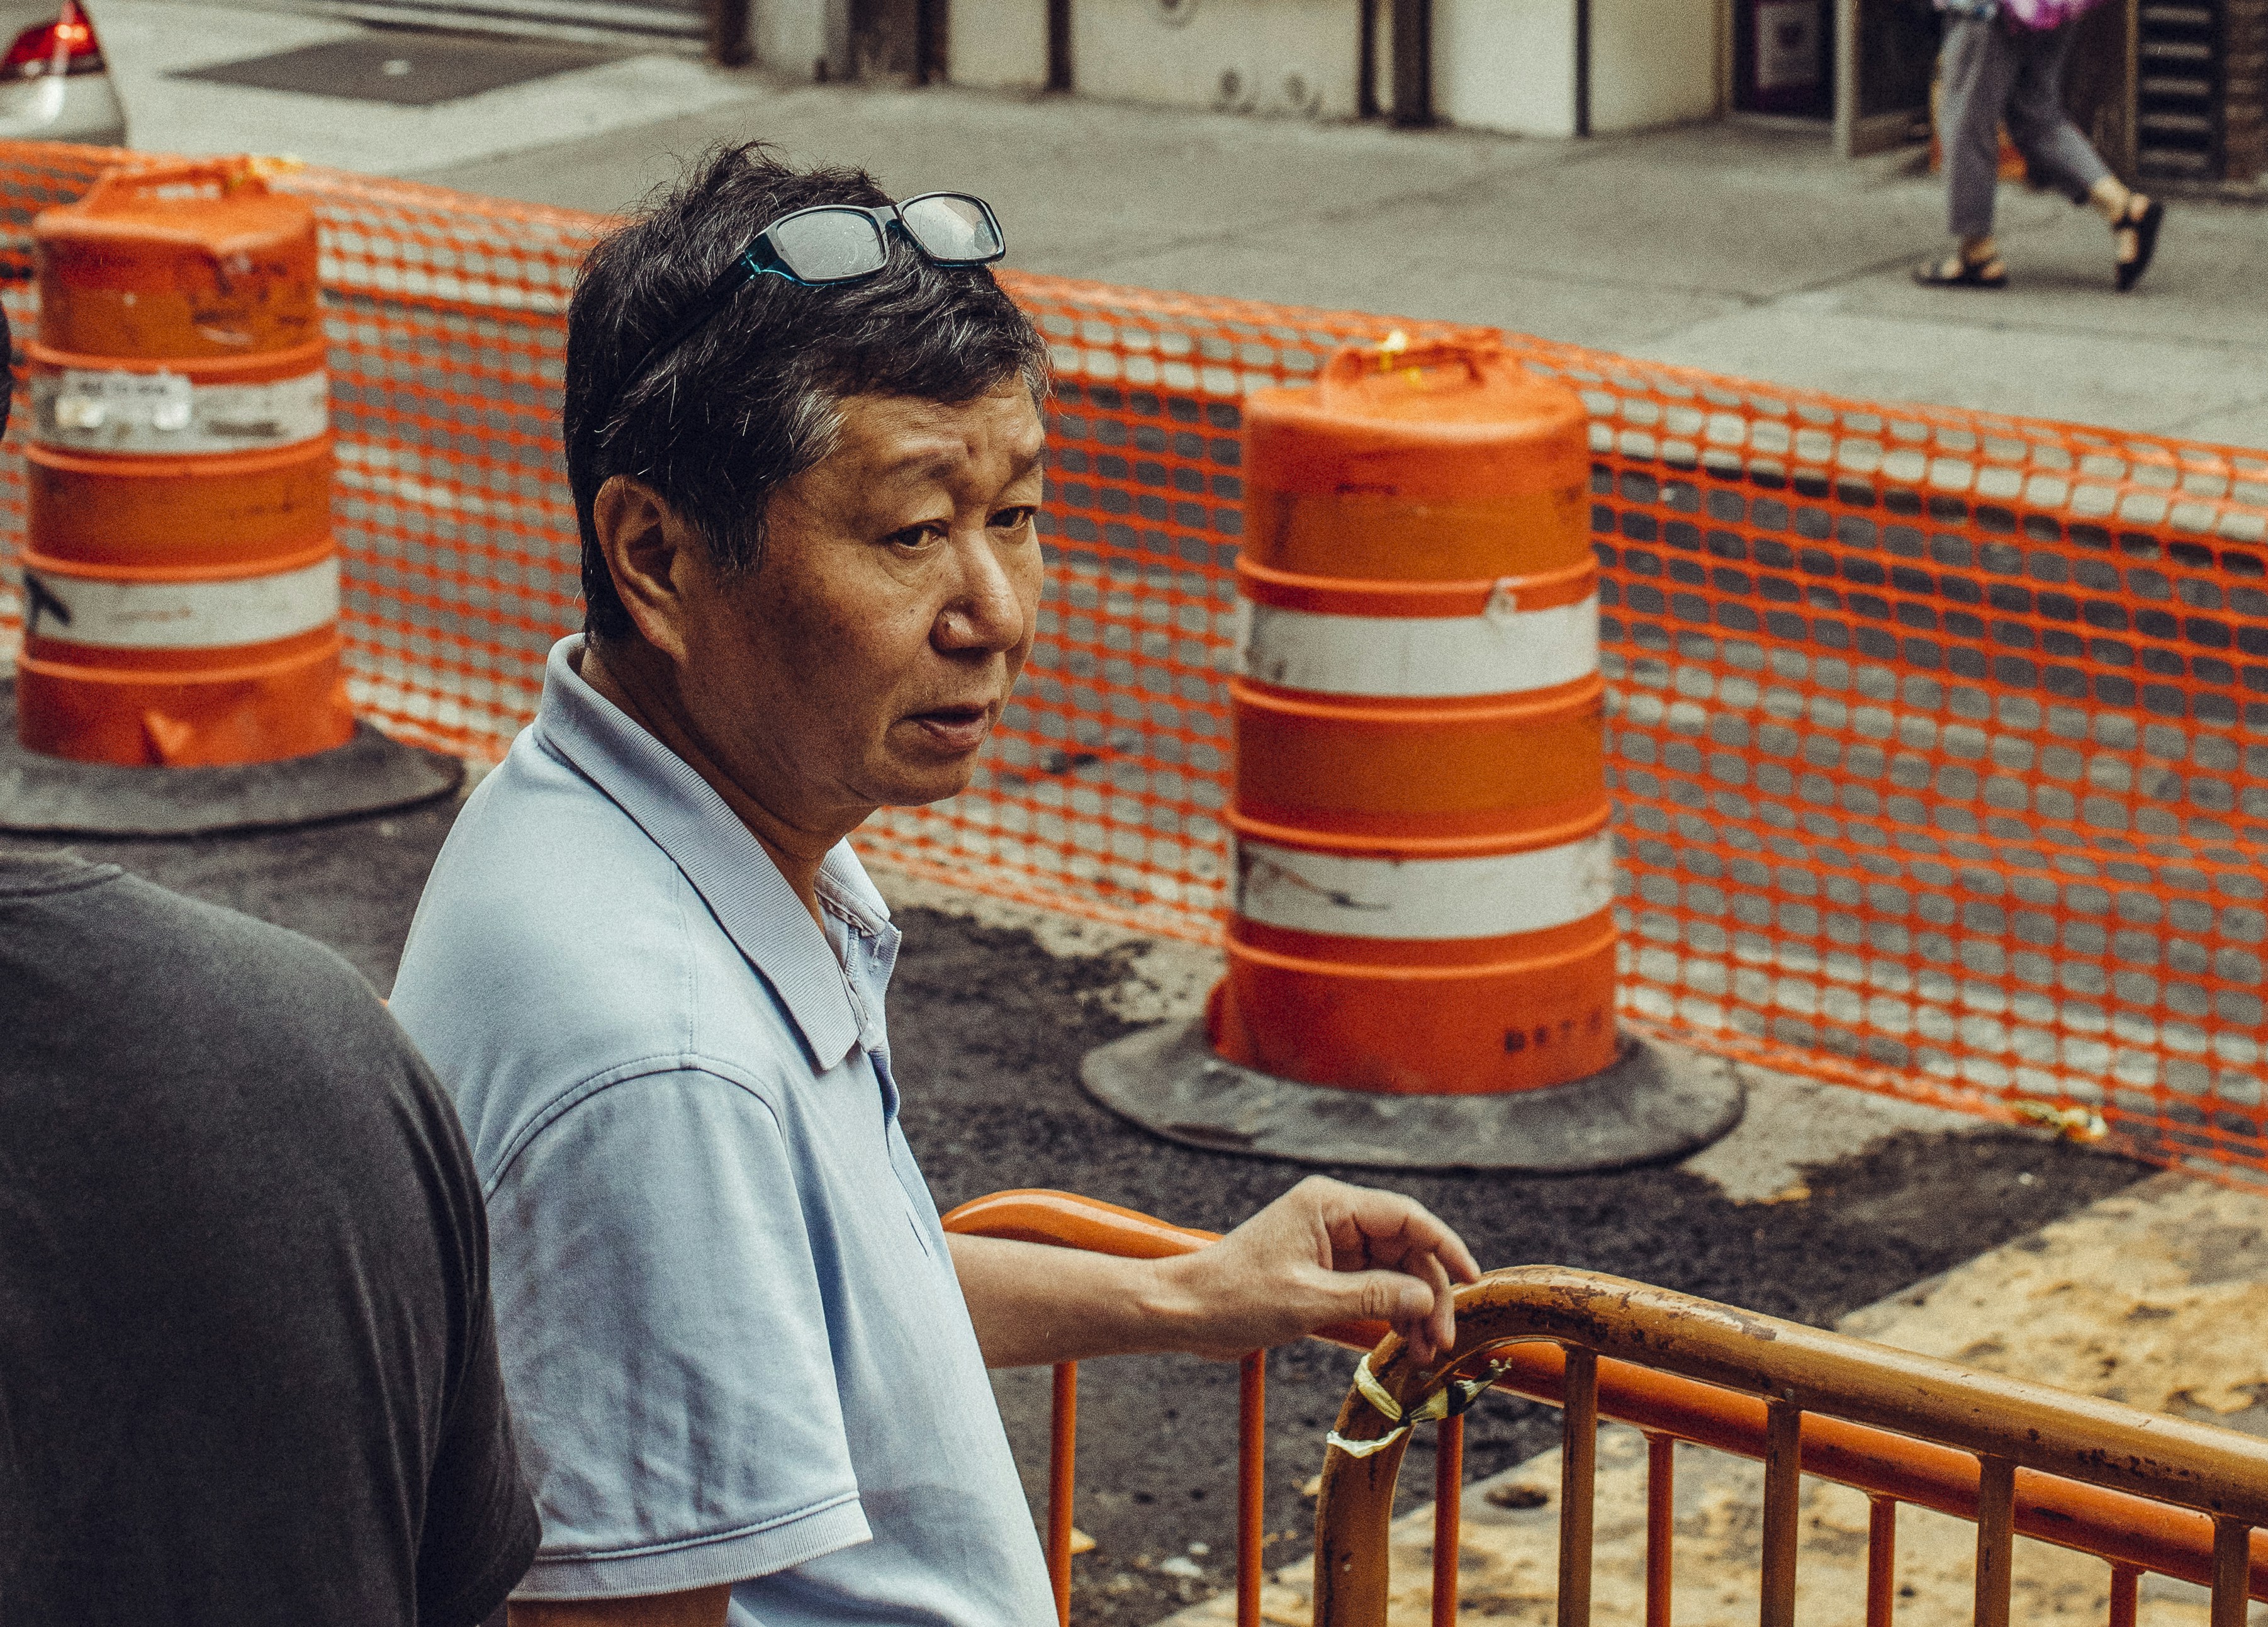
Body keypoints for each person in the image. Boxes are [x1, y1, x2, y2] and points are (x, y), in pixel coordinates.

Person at [386, 144, 1481, 1627]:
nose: (998, 612)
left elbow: (798, 1313)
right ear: (653, 554)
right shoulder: (652, 1052)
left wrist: (1184, 1298)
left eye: (1013, 513)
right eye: (911, 533)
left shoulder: (651, 842)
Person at [1915, 0, 2165, 292]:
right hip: (2053, 8)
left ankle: (1977, 252)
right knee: (2037, 117)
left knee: (1968, 122)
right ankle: (2124, 208)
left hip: (1989, 10)